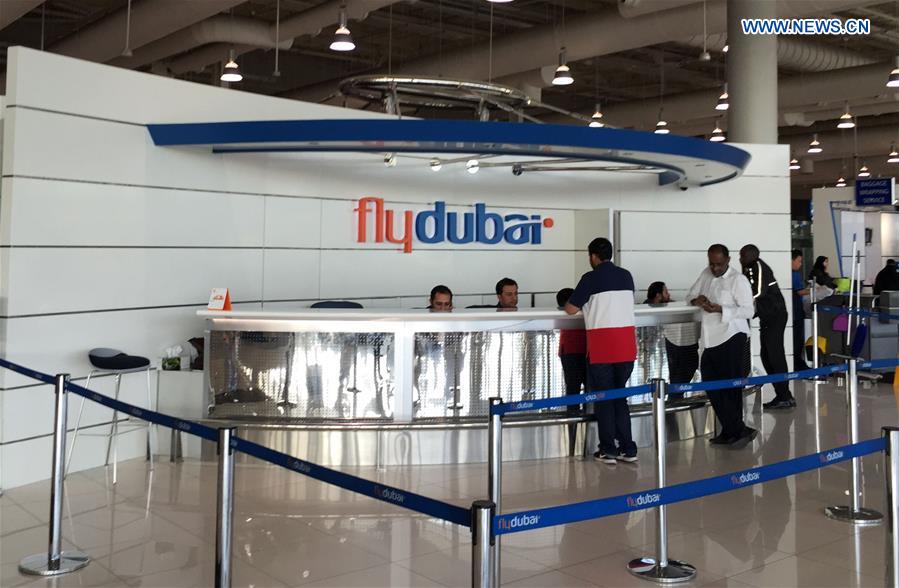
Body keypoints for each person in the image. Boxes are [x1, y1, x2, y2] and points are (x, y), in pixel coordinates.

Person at [565, 237, 638, 464]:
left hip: (603, 347)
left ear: (593, 256)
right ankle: (628, 448)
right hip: (627, 346)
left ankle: (609, 449)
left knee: (604, 399)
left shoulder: (590, 278)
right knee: (620, 397)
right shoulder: (626, 275)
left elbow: (570, 309)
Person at [687, 244, 757, 448]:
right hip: (709, 339)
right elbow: (690, 294)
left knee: (730, 388)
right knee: (711, 383)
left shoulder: (738, 280)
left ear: (728, 260)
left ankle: (732, 431)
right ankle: (736, 429)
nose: (715, 268)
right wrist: (696, 299)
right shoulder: (706, 274)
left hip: (731, 336)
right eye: (711, 263)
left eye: (719, 264)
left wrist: (719, 309)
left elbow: (748, 311)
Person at [740, 244, 794, 409]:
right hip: (766, 316)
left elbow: (758, 292)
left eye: (743, 255)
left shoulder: (759, 266)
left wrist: (741, 302)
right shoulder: (748, 268)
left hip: (776, 315)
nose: (740, 258)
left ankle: (785, 396)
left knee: (775, 354)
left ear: (752, 256)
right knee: (766, 355)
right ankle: (783, 394)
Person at [645, 282, 699, 402]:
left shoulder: (667, 307)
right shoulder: (654, 311)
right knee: (677, 385)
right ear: (658, 295)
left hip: (679, 347)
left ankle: (672, 409)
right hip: (679, 348)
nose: (669, 294)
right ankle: (673, 411)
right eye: (666, 292)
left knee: (677, 384)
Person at [557, 287, 588, 451]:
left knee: (576, 389)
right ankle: (574, 425)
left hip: (578, 350)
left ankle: (579, 424)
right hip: (572, 350)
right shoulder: (570, 311)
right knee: (575, 389)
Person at [791, 250, 810, 371]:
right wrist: (813, 289)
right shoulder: (794, 274)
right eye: (799, 261)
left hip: (795, 310)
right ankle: (797, 363)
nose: (800, 264)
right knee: (797, 339)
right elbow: (799, 291)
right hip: (795, 311)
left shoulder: (794, 274)